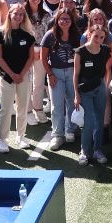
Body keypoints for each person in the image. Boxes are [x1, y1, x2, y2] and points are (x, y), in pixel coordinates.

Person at [0, 4, 36, 152]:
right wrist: (12, 74)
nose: (18, 17)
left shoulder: (28, 35)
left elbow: (31, 58)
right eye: (15, 14)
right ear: (10, 14)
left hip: (24, 77)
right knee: (5, 109)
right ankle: (2, 139)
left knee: (23, 108)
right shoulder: (0, 33)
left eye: (21, 15)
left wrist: (21, 74)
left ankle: (21, 136)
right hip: (6, 77)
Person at [40, 11, 80, 150]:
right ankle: (58, 134)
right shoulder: (50, 35)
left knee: (72, 102)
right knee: (56, 105)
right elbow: (43, 58)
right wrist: (50, 74)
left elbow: (80, 56)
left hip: (72, 72)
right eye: (61, 19)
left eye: (67, 19)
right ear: (57, 20)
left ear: (72, 20)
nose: (64, 21)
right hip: (55, 73)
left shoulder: (76, 35)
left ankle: (70, 129)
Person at [74, 20, 112, 165]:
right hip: (85, 90)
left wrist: (106, 86)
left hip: (100, 88)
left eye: (101, 37)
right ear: (89, 35)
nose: (98, 39)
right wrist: (76, 94)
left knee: (100, 120)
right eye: (96, 36)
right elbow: (75, 75)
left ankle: (98, 149)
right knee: (88, 122)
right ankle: (84, 151)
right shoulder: (80, 51)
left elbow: (106, 70)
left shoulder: (105, 50)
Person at [22, 0, 50, 124]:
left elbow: (48, 34)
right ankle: (27, 111)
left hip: (41, 51)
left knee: (38, 82)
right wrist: (31, 48)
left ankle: (38, 109)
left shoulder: (46, 14)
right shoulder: (22, 13)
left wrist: (40, 50)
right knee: (26, 81)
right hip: (25, 51)